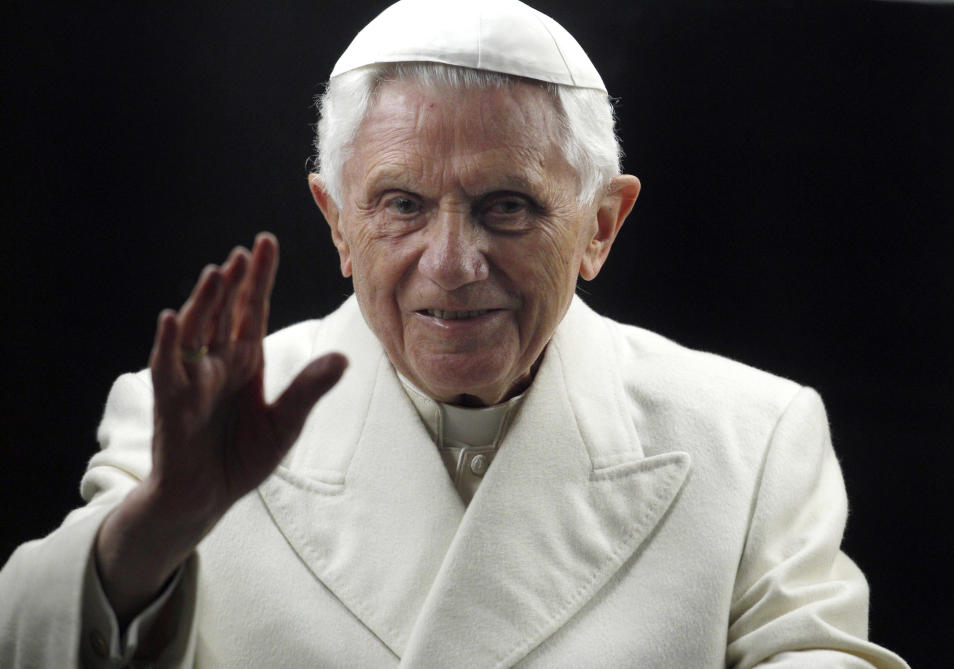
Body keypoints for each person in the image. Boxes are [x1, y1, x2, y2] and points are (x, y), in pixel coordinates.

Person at [0, 0, 908, 666]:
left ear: (600, 223)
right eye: (401, 205)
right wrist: (161, 524)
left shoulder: (752, 435)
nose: (452, 262)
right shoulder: (191, 417)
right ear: (336, 220)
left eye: (505, 206)